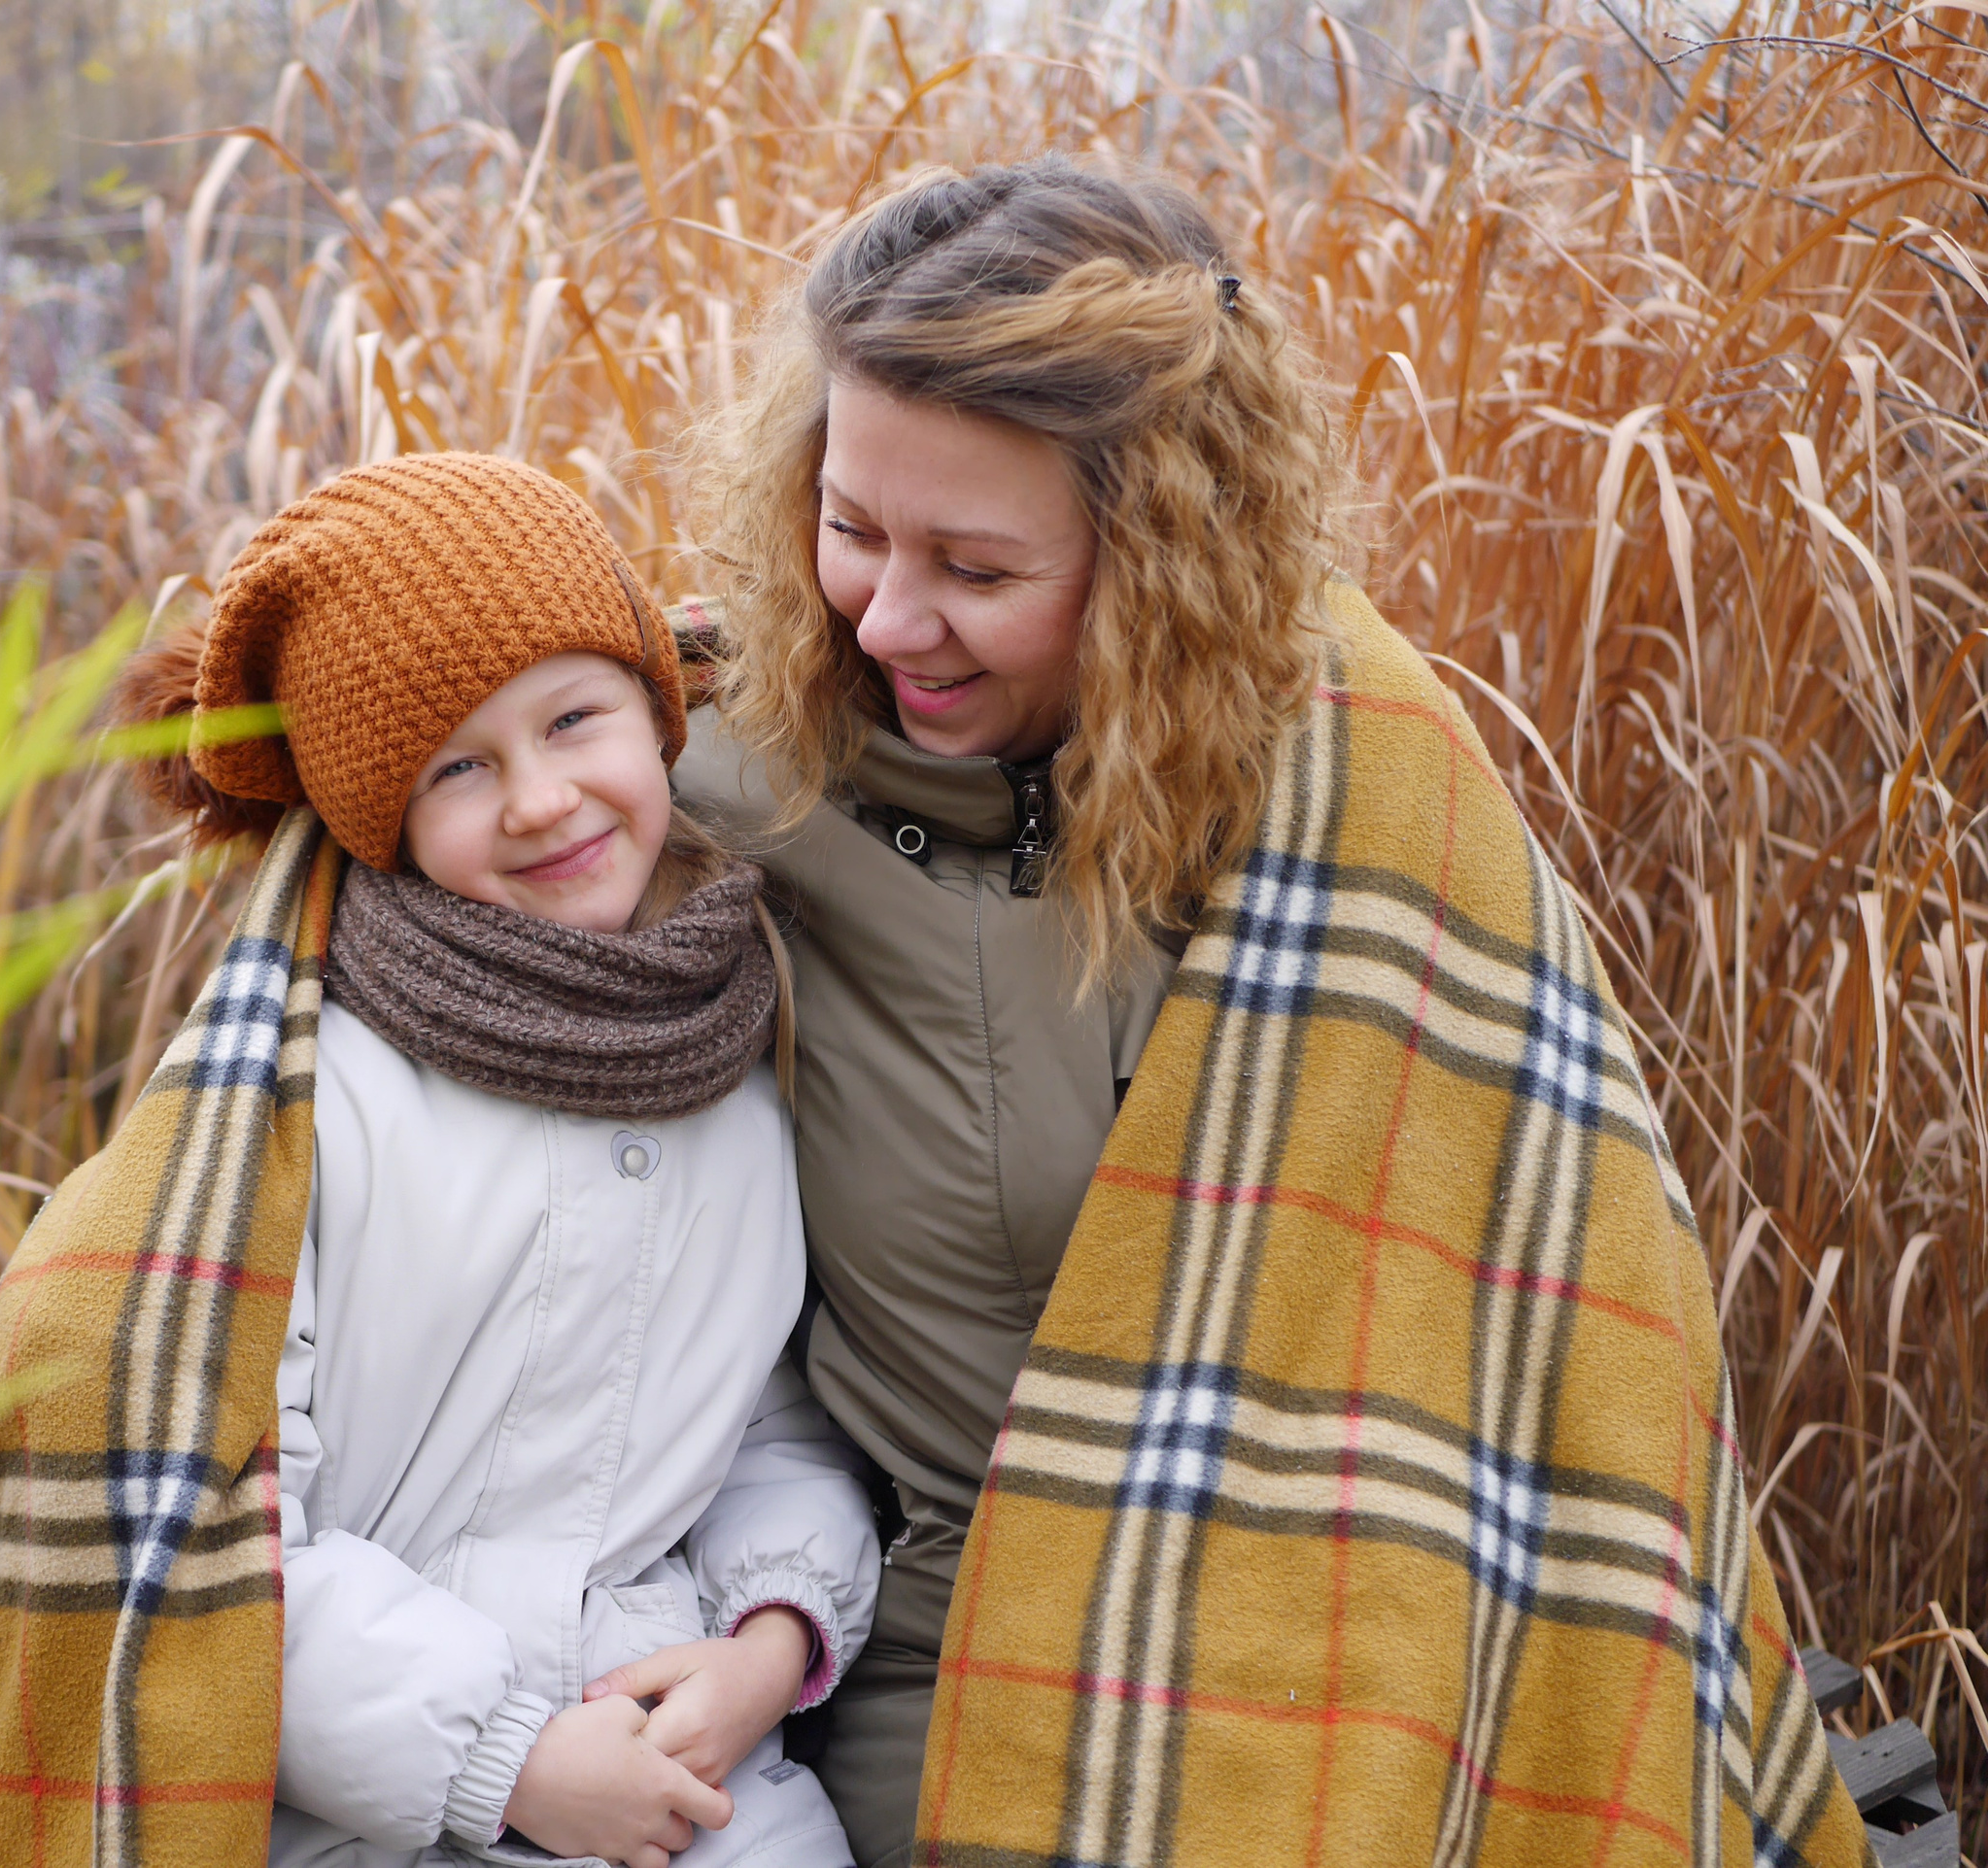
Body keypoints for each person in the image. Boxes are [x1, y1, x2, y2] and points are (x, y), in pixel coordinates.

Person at [675, 157, 1868, 1868]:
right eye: (852, 527)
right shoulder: (716, 770)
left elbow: (1573, 1340)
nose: (887, 616)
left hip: (1347, 1647)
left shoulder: (1373, 800)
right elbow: (423, 768)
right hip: (927, 1655)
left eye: (978, 567)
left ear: (1162, 550)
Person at [120, 452, 878, 1868]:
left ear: (657, 717)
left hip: (691, 1764)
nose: (539, 799)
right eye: (457, 767)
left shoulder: (738, 1054)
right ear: (382, 817)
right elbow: (221, 1515)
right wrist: (501, 1760)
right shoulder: (312, 1095)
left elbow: (767, 1421)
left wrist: (772, 1640)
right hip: (361, 1802)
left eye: (573, 718)